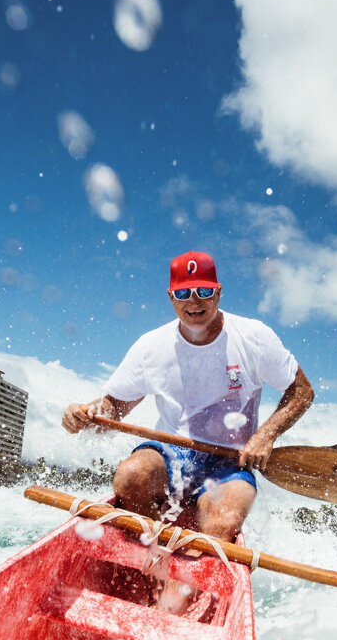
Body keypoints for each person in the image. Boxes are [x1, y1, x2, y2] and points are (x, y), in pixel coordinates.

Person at [62, 249, 313, 615]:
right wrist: (86, 413)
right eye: (183, 294)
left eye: (203, 292)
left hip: (230, 461)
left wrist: (266, 435)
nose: (193, 303)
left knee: (225, 519)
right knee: (131, 476)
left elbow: (302, 391)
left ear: (219, 293)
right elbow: (113, 407)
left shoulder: (254, 337)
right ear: (170, 297)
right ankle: (152, 575)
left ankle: (164, 613)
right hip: (170, 452)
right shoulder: (150, 346)